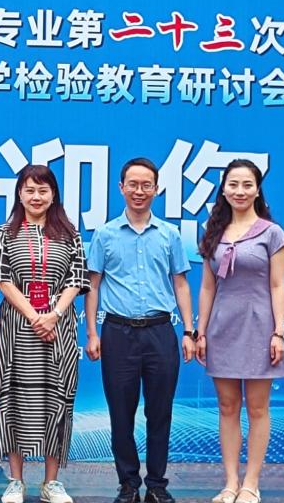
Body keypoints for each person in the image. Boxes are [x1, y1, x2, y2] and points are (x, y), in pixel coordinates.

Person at [85, 157, 195, 503]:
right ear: (121, 188)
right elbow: (93, 285)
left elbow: (180, 284)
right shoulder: (104, 234)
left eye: (146, 185)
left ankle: (157, 484)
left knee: (160, 411)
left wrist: (189, 331)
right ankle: (128, 483)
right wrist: (92, 333)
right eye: (133, 184)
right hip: (117, 332)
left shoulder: (169, 234)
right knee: (121, 412)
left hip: (160, 331)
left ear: (156, 189)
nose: (139, 191)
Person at [0, 165, 89, 503]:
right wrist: (34, 316)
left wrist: (54, 314)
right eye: (30, 190)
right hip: (18, 327)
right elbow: (2, 279)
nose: (36, 197)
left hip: (59, 327)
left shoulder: (69, 233)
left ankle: (51, 482)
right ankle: (16, 481)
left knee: (57, 399)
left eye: (43, 191)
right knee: (14, 398)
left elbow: (77, 277)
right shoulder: (4, 232)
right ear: (19, 193)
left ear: (53, 194)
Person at [195, 159, 284, 503]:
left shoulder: (272, 233)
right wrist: (200, 332)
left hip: (260, 328)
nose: (240, 191)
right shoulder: (213, 232)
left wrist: (279, 332)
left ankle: (251, 483)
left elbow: (277, 285)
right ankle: (231, 482)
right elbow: (207, 287)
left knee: (258, 408)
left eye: (247, 184)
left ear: (257, 190)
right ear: (223, 189)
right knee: (227, 405)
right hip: (222, 328)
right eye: (233, 184)